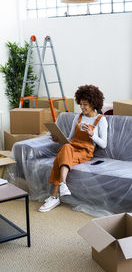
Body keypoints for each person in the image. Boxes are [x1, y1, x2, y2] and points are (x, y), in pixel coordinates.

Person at [39, 84, 108, 212]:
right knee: (66, 146)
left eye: (85, 104)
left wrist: (92, 135)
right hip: (71, 147)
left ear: (93, 103)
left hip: (85, 152)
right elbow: (70, 138)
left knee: (61, 156)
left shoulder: (101, 120)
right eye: (80, 104)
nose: (82, 107)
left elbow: (104, 144)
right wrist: (58, 138)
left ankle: (54, 196)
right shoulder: (78, 117)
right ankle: (63, 184)